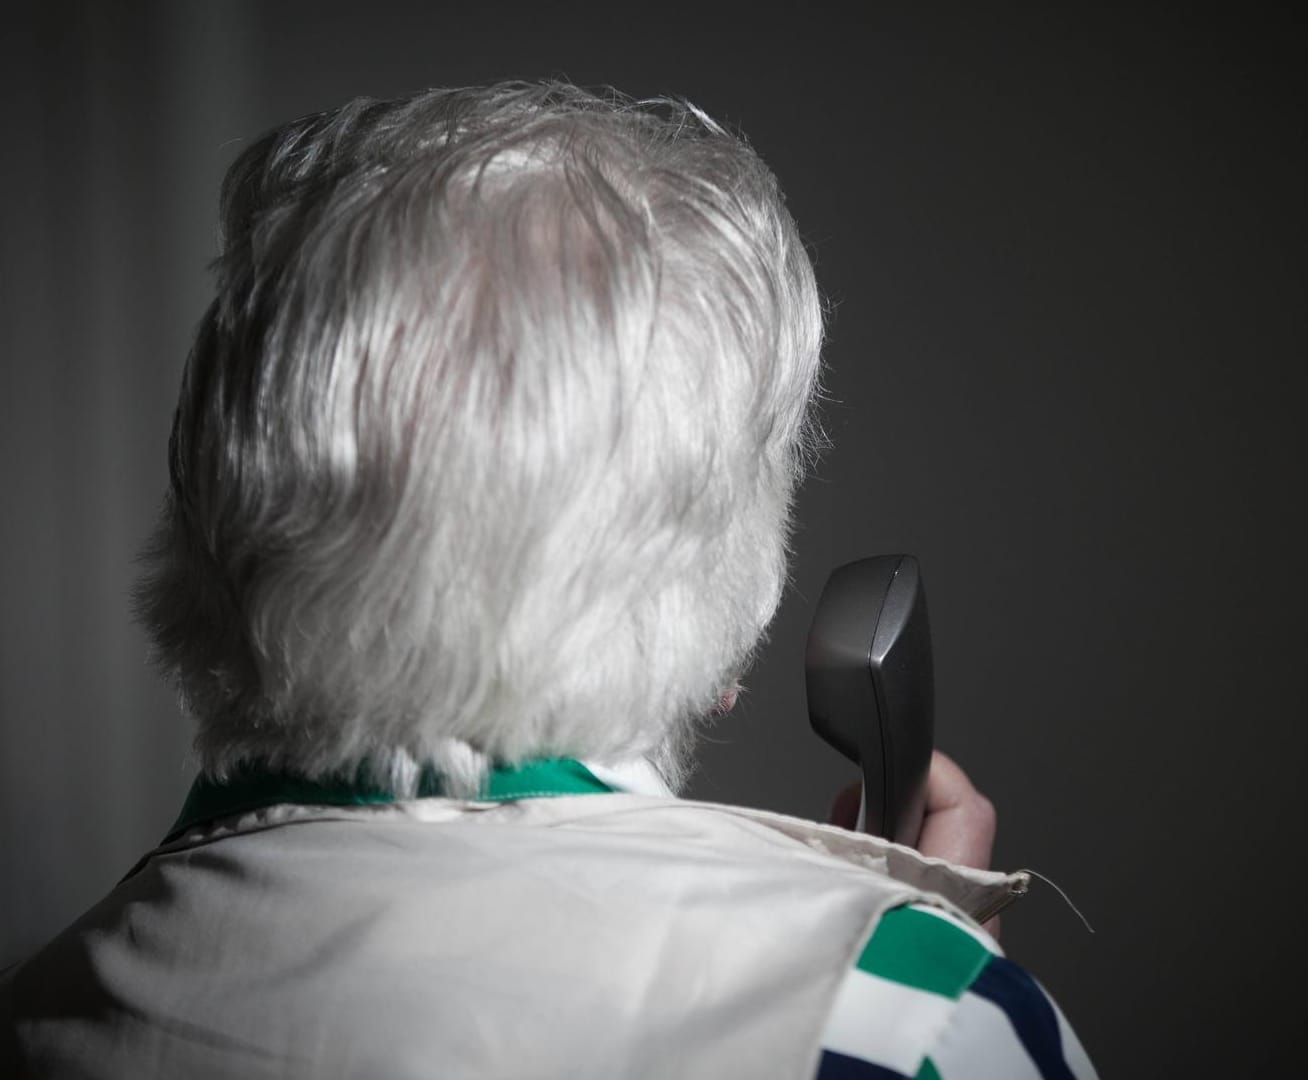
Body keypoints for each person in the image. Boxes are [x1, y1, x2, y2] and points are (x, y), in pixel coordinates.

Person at [0, 80, 1097, 1079]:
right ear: (721, 610)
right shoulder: (902, 1021)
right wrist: (926, 1000)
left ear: (206, 508)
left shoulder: (36, 1006)